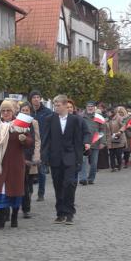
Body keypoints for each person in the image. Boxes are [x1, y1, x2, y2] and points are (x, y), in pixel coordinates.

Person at [41, 95, 91, 225]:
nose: (56, 107)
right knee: (58, 186)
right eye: (55, 105)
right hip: (55, 157)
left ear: (64, 105)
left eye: (58, 105)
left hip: (71, 157)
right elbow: (46, 139)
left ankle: (69, 213)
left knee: (69, 184)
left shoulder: (75, 120)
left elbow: (81, 137)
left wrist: (82, 151)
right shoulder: (49, 119)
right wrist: (44, 157)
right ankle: (60, 213)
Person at [0, 100, 33, 229]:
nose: (6, 113)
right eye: (3, 111)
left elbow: (30, 141)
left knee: (14, 191)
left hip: (15, 164)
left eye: (8, 110)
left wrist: (24, 139)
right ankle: (1, 218)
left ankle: (14, 217)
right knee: (0, 192)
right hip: (0, 164)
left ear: (13, 112)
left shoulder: (20, 125)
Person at [17, 102, 41, 219]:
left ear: (30, 112)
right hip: (17, 156)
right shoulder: (15, 122)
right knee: (19, 183)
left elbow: (37, 140)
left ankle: (26, 208)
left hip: (29, 156)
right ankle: (16, 206)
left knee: (27, 184)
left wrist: (36, 156)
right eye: (23, 110)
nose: (25, 112)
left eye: (27, 110)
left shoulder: (34, 122)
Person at [29, 91, 52, 202]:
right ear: (31, 99)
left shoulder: (47, 112)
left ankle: (41, 193)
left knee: (41, 170)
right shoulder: (27, 112)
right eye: (34, 97)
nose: (36, 99)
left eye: (38, 97)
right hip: (29, 145)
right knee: (29, 170)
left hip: (43, 145)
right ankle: (29, 192)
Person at [79, 101, 104, 185]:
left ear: (94, 108)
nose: (90, 108)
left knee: (94, 163)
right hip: (84, 143)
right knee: (83, 161)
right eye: (88, 106)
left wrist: (103, 142)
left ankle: (91, 178)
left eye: (92, 106)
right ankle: (83, 178)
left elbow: (102, 131)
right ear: (86, 107)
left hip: (95, 143)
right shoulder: (80, 117)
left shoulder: (99, 118)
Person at [106, 107, 127, 171]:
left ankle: (119, 165)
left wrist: (120, 131)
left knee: (118, 154)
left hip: (118, 138)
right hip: (110, 139)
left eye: (108, 112)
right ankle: (113, 167)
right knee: (111, 154)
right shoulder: (107, 120)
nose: (107, 113)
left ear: (112, 112)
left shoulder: (119, 118)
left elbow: (124, 125)